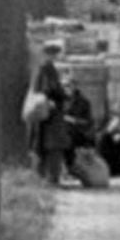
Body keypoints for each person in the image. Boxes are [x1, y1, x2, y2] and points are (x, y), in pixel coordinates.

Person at [31, 42, 70, 185]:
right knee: (53, 145)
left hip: (46, 112)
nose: (55, 56)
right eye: (53, 53)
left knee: (44, 145)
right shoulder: (47, 68)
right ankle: (51, 179)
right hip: (50, 113)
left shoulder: (43, 68)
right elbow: (50, 88)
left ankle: (46, 178)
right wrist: (64, 95)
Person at [61, 76, 94, 175]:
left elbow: (88, 123)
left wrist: (72, 120)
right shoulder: (60, 100)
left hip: (77, 133)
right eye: (62, 86)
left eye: (67, 85)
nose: (64, 88)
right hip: (60, 131)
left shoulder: (83, 102)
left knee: (67, 138)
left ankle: (70, 168)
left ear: (74, 86)